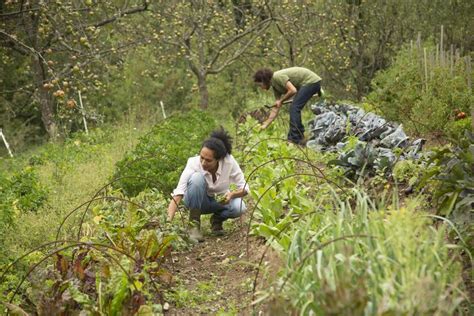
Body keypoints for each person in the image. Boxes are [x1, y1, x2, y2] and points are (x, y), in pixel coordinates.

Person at [166, 127, 249, 242]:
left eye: (208, 160)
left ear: (219, 159)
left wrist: (232, 195)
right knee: (196, 178)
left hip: (219, 202)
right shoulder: (193, 163)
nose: (203, 163)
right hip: (197, 202)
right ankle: (194, 227)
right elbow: (178, 194)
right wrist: (168, 223)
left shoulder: (229, 162)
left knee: (239, 207)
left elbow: (245, 188)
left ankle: (217, 220)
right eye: (202, 158)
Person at [253, 67, 323, 146]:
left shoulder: (277, 77)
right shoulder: (275, 87)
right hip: (309, 83)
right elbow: (276, 108)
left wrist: (281, 101)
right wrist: (266, 124)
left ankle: (295, 139)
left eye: (260, 85)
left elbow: (293, 90)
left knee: (294, 108)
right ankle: (297, 137)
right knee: (294, 108)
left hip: (311, 81)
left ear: (264, 80)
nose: (261, 88)